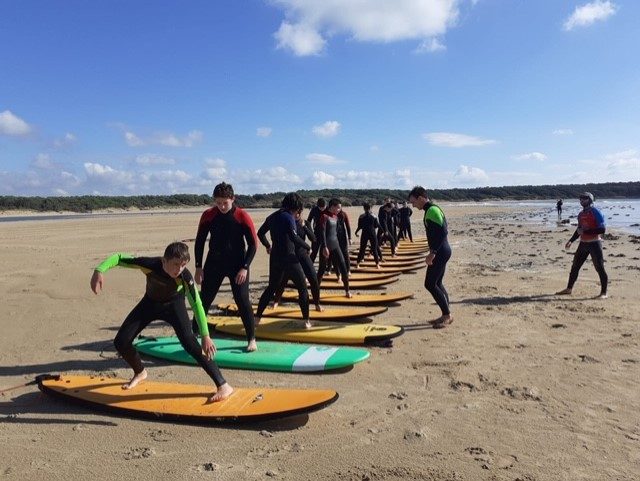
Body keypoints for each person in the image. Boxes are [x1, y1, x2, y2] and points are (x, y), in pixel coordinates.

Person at [89, 242, 233, 402]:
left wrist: (205, 335)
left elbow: (196, 304)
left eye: (183, 265)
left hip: (174, 307)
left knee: (191, 344)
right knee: (121, 342)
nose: (179, 269)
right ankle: (140, 372)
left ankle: (223, 385)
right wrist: (99, 270)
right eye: (176, 264)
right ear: (164, 261)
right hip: (150, 304)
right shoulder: (150, 264)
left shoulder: (185, 277)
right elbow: (119, 258)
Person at [194, 182, 258, 352]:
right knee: (204, 300)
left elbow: (253, 244)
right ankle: (193, 335)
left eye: (225, 202)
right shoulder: (208, 215)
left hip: (238, 265)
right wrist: (198, 267)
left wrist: (245, 267)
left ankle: (251, 339)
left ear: (233, 199)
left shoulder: (242, 216)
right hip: (214, 263)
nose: (222, 206)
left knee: (242, 300)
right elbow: (199, 242)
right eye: (218, 202)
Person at [255, 193, 312, 328]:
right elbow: (293, 237)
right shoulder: (289, 217)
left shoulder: (272, 216)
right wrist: (307, 246)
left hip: (275, 257)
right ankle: (306, 321)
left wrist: (268, 245)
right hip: (289, 257)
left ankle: (257, 318)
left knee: (271, 288)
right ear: (295, 206)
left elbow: (260, 233)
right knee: (302, 288)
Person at [408, 186, 453, 328]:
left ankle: (447, 315)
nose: (413, 205)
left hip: (440, 251)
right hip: (442, 250)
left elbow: (442, 232)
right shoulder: (431, 209)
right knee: (437, 283)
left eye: (413, 202)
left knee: (430, 284)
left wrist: (432, 253)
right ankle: (446, 314)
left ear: (420, 198)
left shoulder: (432, 210)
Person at [556, 192, 608, 299]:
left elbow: (602, 229)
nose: (582, 201)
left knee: (599, 268)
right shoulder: (581, 214)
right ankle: (569, 289)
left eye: (585, 199)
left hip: (594, 244)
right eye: (581, 199)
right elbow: (579, 230)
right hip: (583, 244)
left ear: (590, 200)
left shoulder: (596, 212)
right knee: (575, 266)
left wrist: (587, 231)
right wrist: (571, 240)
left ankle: (603, 293)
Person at [272, 210, 324, 313]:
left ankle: (317, 303)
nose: (298, 215)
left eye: (300, 213)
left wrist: (304, 226)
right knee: (283, 280)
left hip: (302, 254)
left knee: (313, 279)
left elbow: (313, 238)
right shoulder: (288, 222)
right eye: (297, 213)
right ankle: (276, 301)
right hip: (290, 255)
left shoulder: (305, 223)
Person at [317, 198, 352, 298]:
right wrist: (324, 247)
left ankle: (347, 291)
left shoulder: (336, 217)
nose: (339, 210)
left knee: (343, 268)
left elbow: (336, 233)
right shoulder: (324, 216)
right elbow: (322, 232)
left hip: (336, 245)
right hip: (326, 247)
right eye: (338, 208)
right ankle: (316, 290)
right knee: (321, 270)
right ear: (332, 206)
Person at [354, 202, 382, 268]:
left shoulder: (361, 216)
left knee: (362, 249)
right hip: (372, 233)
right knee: (374, 249)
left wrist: (356, 232)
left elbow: (359, 226)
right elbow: (377, 225)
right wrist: (383, 231)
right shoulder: (374, 216)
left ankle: (357, 264)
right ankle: (377, 265)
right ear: (370, 208)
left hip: (364, 233)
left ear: (364, 208)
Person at [307, 198, 326, 263]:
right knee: (314, 251)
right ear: (318, 206)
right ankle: (310, 266)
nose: (322, 209)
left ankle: (326, 268)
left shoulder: (328, 209)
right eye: (321, 208)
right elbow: (308, 221)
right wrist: (311, 232)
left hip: (326, 233)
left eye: (324, 207)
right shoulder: (314, 210)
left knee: (324, 252)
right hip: (316, 233)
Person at [336, 208, 352, 274]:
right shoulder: (331, 214)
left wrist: (350, 238)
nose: (338, 209)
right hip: (334, 237)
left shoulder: (344, 214)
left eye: (339, 207)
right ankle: (334, 270)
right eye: (337, 207)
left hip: (342, 236)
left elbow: (348, 226)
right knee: (334, 254)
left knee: (345, 253)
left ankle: (348, 270)